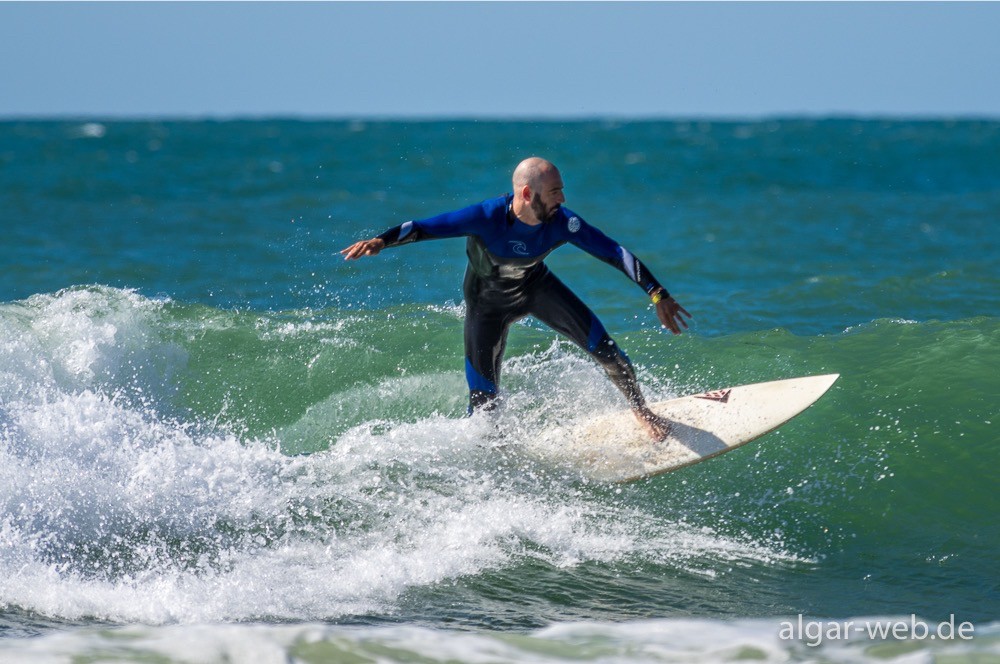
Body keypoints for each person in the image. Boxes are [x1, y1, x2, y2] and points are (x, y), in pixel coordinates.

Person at [341, 157, 691, 440]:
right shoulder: (486, 217)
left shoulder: (562, 223)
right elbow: (422, 227)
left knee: (612, 355)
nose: (563, 200)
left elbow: (613, 251)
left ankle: (643, 414)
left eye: (562, 191)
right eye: (555, 192)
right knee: (483, 404)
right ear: (527, 193)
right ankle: (487, 459)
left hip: (536, 288)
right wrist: (381, 241)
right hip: (486, 307)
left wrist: (657, 293)